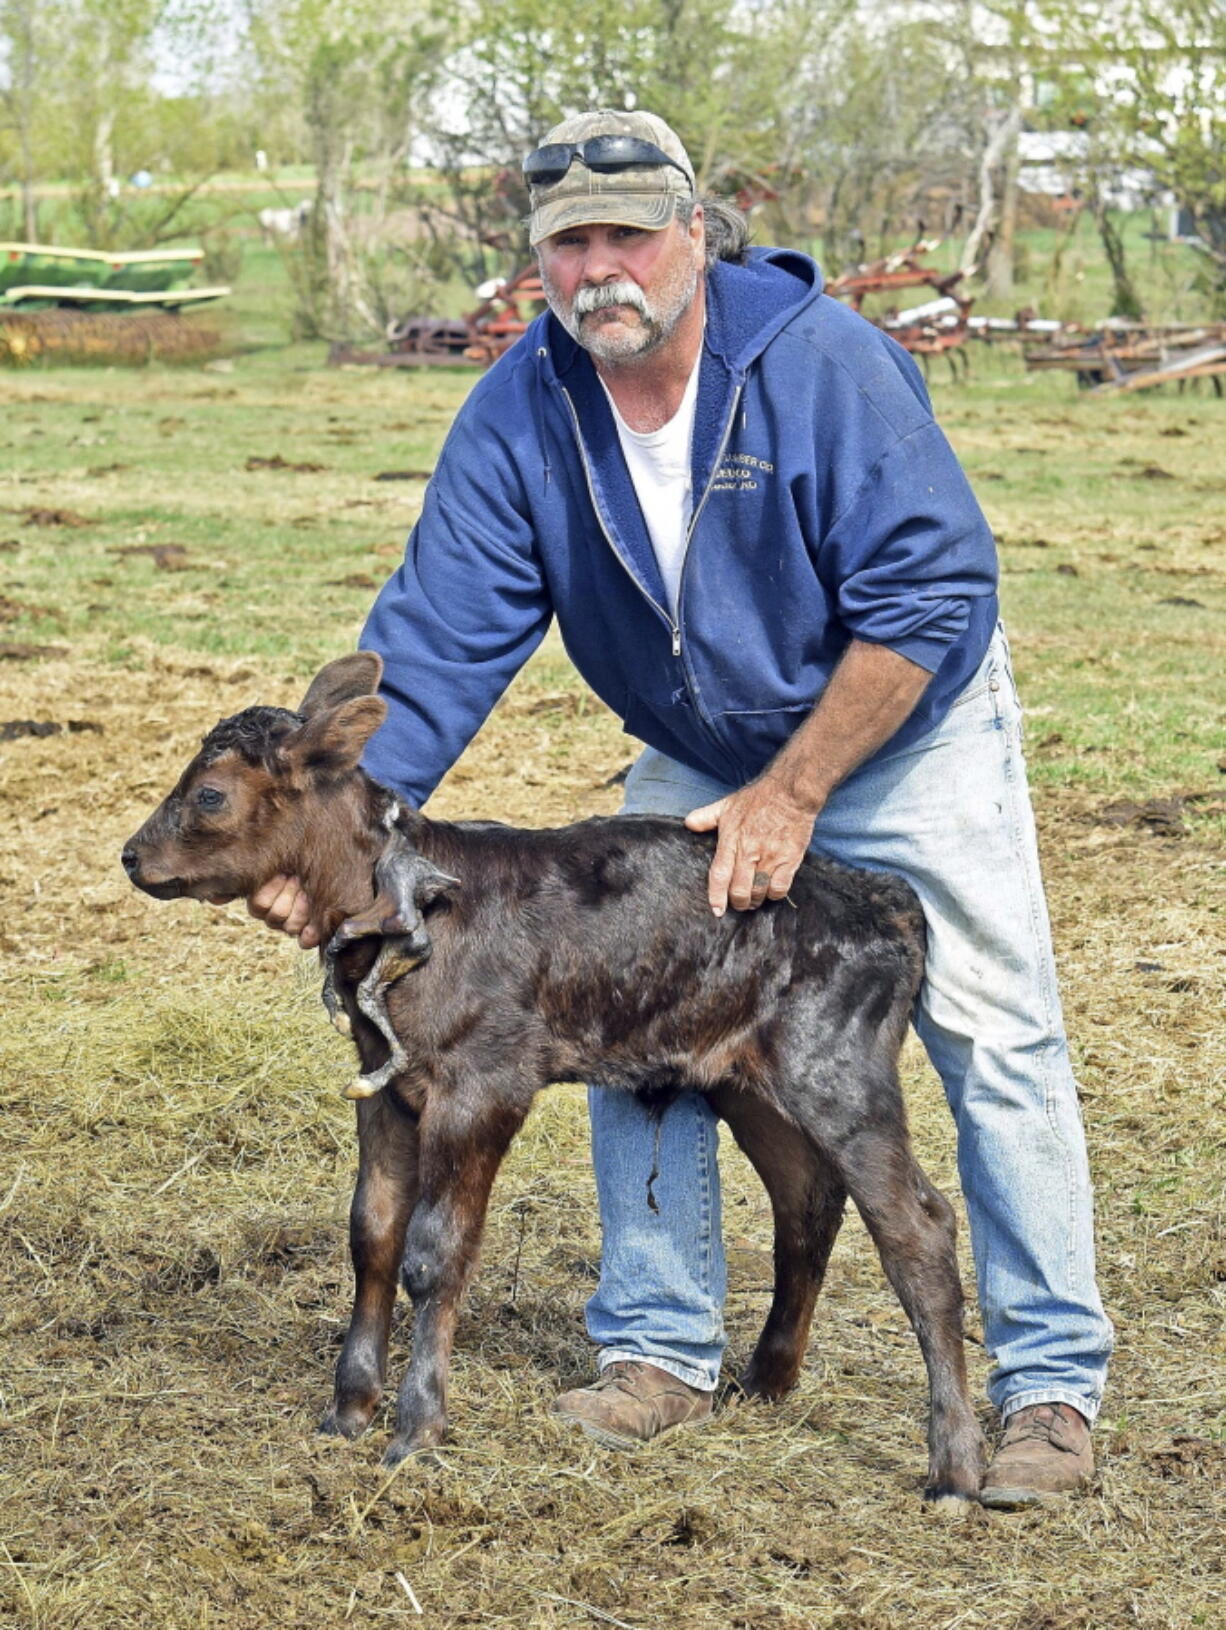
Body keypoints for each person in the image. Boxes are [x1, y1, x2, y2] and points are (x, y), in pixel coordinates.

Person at [250, 109, 1112, 1507]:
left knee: (993, 1030)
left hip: (893, 720)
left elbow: (930, 597)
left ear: (694, 234)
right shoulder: (523, 407)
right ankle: (658, 1347)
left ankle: (1046, 1385)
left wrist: (798, 787)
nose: (601, 269)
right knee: (628, 1006)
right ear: (537, 261)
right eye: (568, 244)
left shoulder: (827, 367)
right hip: (697, 740)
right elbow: (437, 636)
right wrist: (329, 840)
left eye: (627, 234)